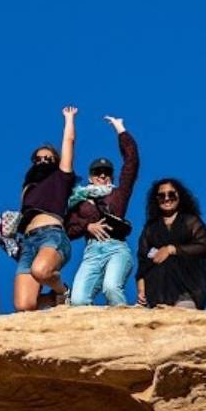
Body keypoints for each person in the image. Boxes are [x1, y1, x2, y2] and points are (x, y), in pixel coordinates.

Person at [66, 116, 140, 306]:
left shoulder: (118, 194)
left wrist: (120, 129)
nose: (102, 175)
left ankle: (124, 323)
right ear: (90, 177)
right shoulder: (78, 200)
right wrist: (87, 226)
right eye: (97, 172)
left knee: (111, 288)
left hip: (116, 247)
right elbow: (68, 230)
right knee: (78, 300)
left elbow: (131, 162)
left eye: (107, 172)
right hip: (92, 252)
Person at [12, 107, 77, 312]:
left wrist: (69, 119)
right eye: (38, 159)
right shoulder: (28, 188)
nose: (43, 162)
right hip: (28, 241)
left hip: (52, 235)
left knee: (41, 271)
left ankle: (63, 291)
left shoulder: (61, 178)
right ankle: (54, 300)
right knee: (24, 305)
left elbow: (68, 142)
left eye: (48, 158)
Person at [135, 179, 206, 309]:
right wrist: (141, 290)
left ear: (179, 196)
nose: (166, 198)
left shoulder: (190, 221)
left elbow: (203, 246)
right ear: (156, 199)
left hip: (186, 291)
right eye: (161, 195)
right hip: (155, 294)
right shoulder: (150, 228)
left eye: (171, 194)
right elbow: (143, 261)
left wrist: (172, 249)